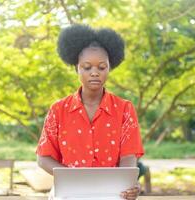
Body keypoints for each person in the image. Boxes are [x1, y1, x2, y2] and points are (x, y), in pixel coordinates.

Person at [36, 24, 144, 200]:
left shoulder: (125, 109)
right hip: (68, 191)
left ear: (110, 68)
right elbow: (44, 158)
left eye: (102, 67)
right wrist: (75, 179)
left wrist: (128, 183)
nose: (95, 73)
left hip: (113, 191)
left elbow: (128, 156)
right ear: (76, 68)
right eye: (87, 67)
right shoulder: (58, 110)